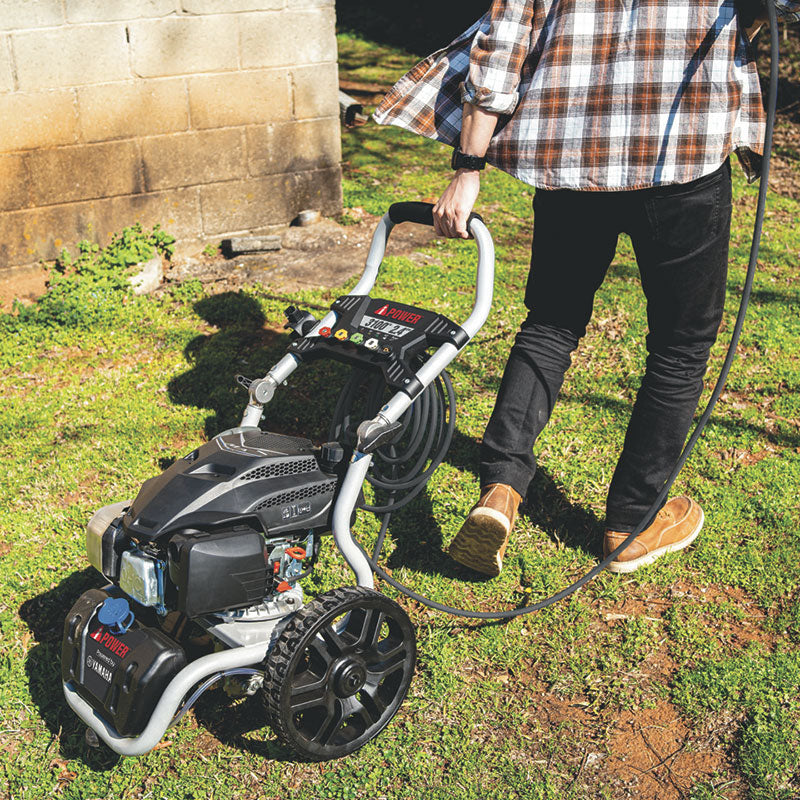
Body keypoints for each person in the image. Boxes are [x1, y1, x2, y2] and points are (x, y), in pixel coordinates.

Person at [374, 0, 800, 577]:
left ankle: (499, 492)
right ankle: (631, 522)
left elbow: (501, 49)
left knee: (551, 323)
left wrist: (468, 168)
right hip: (682, 160)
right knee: (680, 343)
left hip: (572, 156)